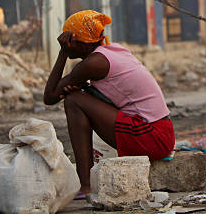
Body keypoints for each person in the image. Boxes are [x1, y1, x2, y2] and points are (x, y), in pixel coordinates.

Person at [43, 10, 174, 197]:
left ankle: (85, 185)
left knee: (73, 101)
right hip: (162, 133)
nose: (66, 43)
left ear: (80, 42)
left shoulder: (94, 63)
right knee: (81, 96)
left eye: (69, 39)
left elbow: (49, 97)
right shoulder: (112, 51)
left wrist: (63, 53)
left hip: (152, 136)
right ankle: (85, 182)